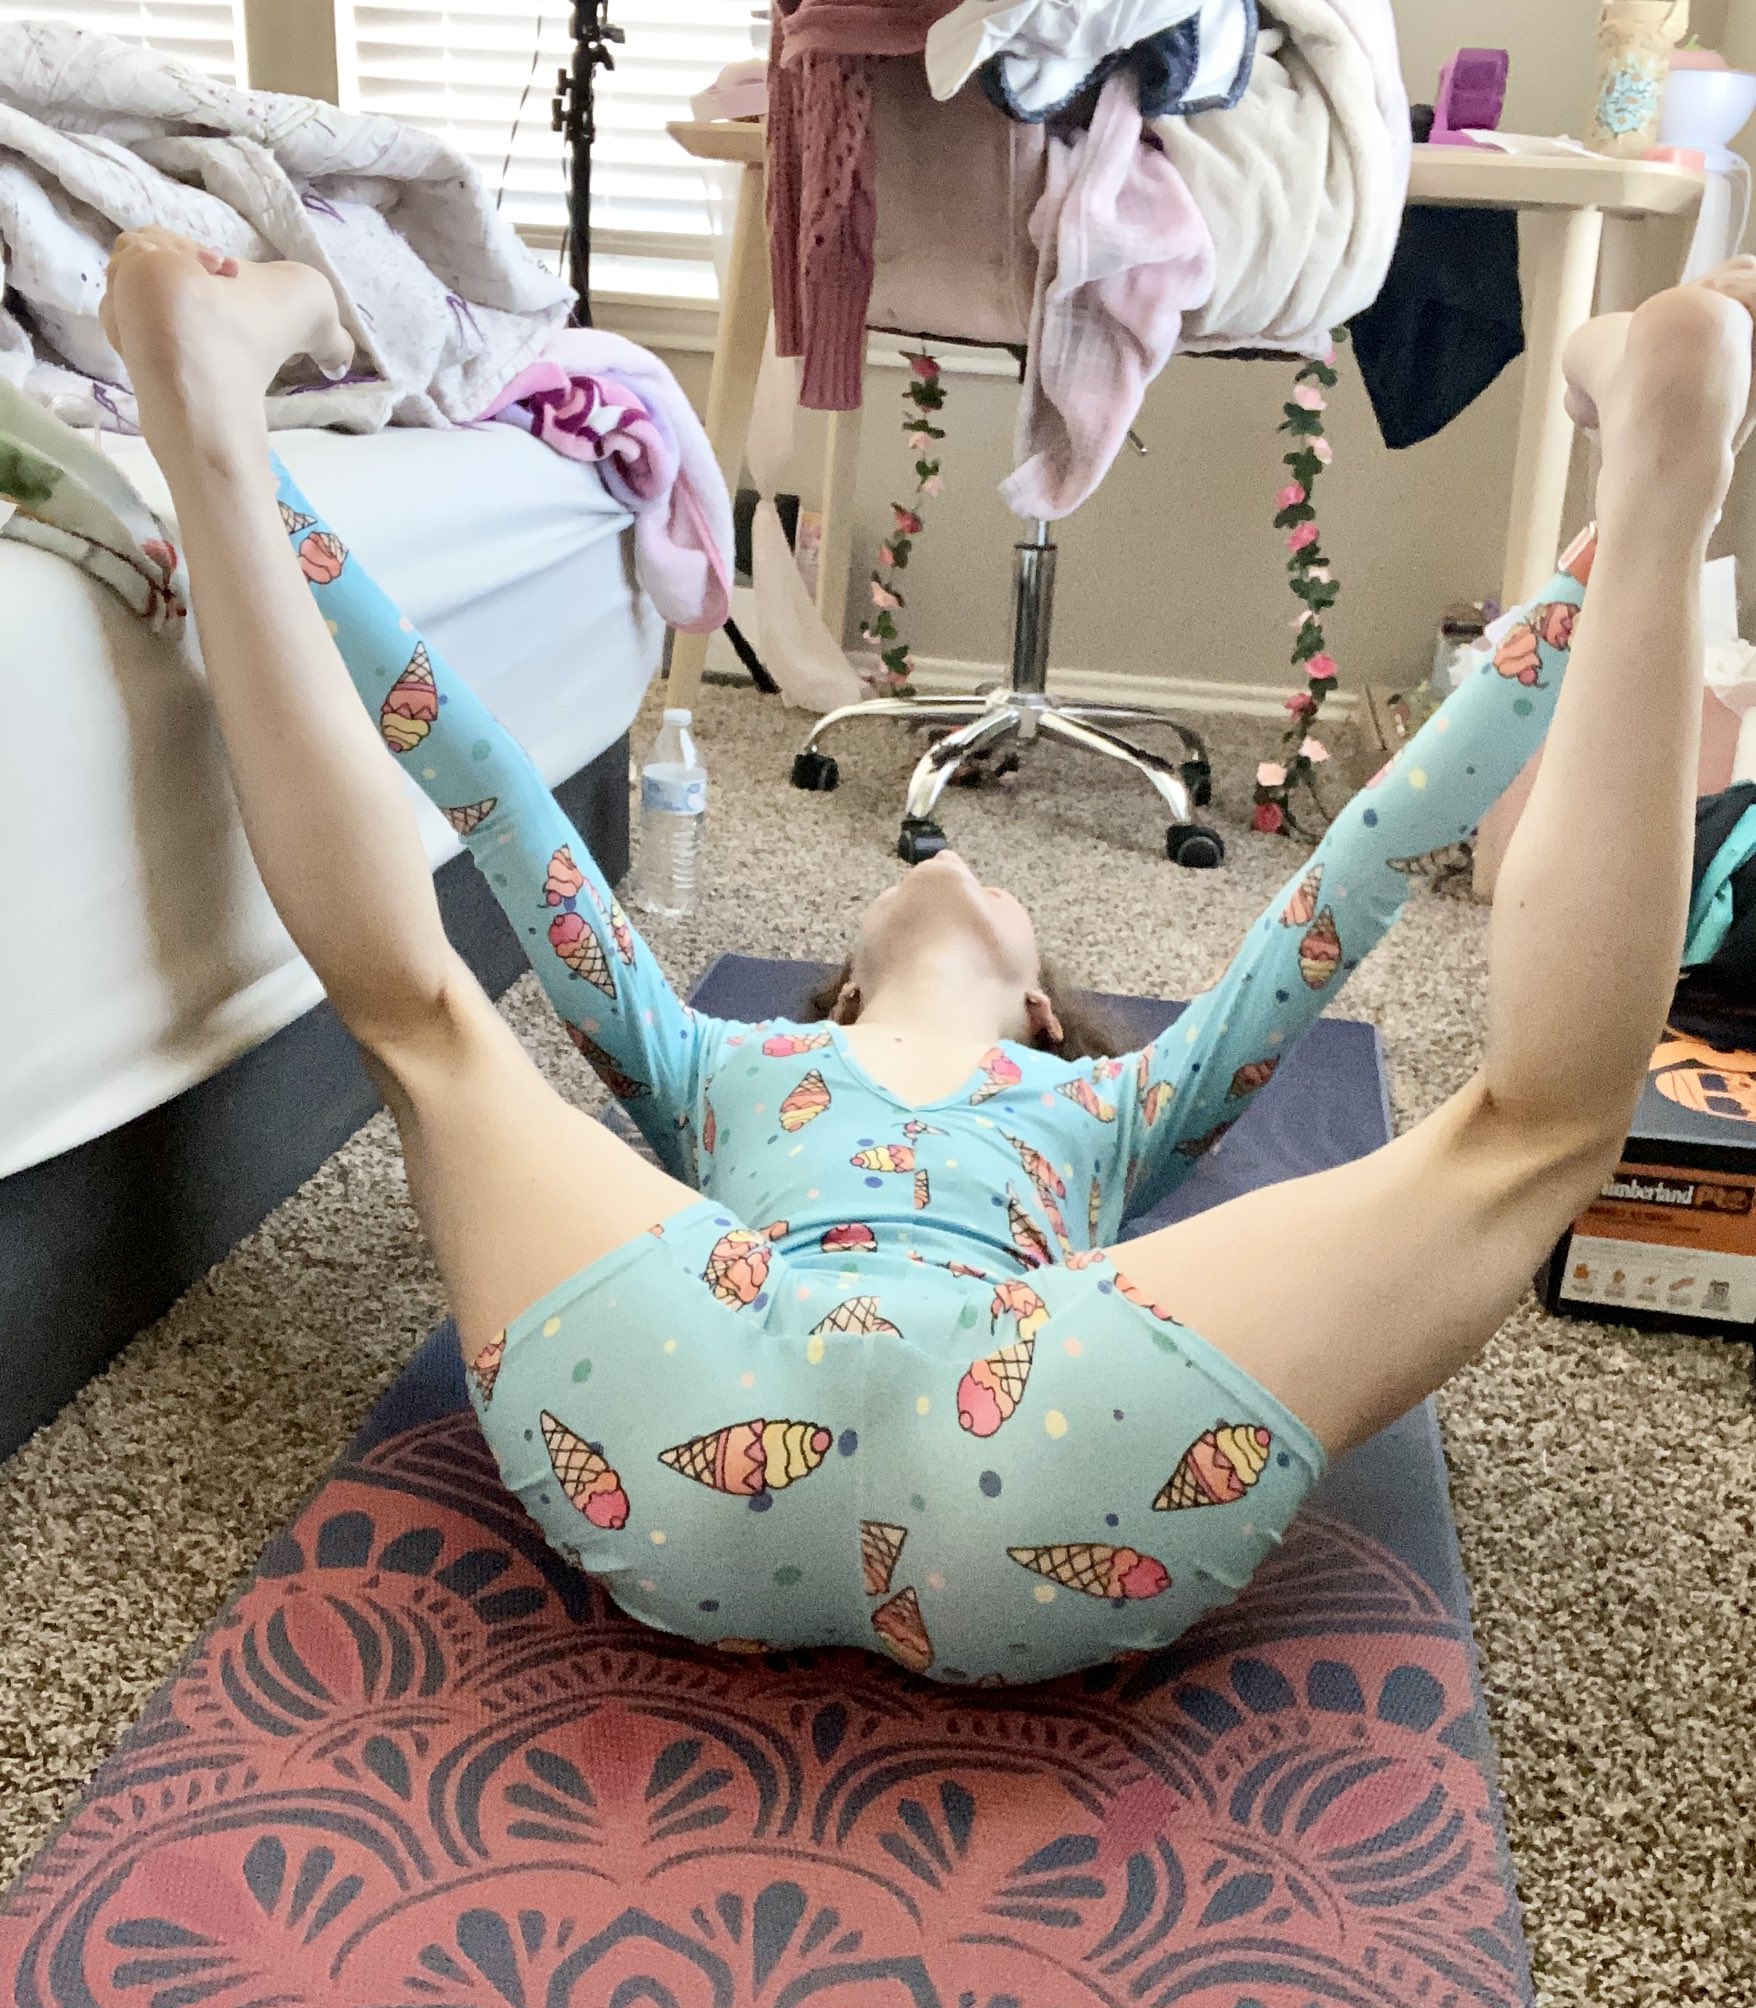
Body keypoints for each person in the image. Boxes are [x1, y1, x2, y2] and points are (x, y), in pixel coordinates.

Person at [98, 228, 1752, 1684]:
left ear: (1039, 1010)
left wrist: (1600, 574)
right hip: (959, 1426)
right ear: (842, 983)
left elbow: (1369, 859)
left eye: (999, 889)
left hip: (783, 1414)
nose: (957, 854)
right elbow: (492, 795)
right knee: (1532, 1141)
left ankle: (1661, 483)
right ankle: (215, 433)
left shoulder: (1115, 1101)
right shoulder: (715, 1061)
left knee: (427, 1036)